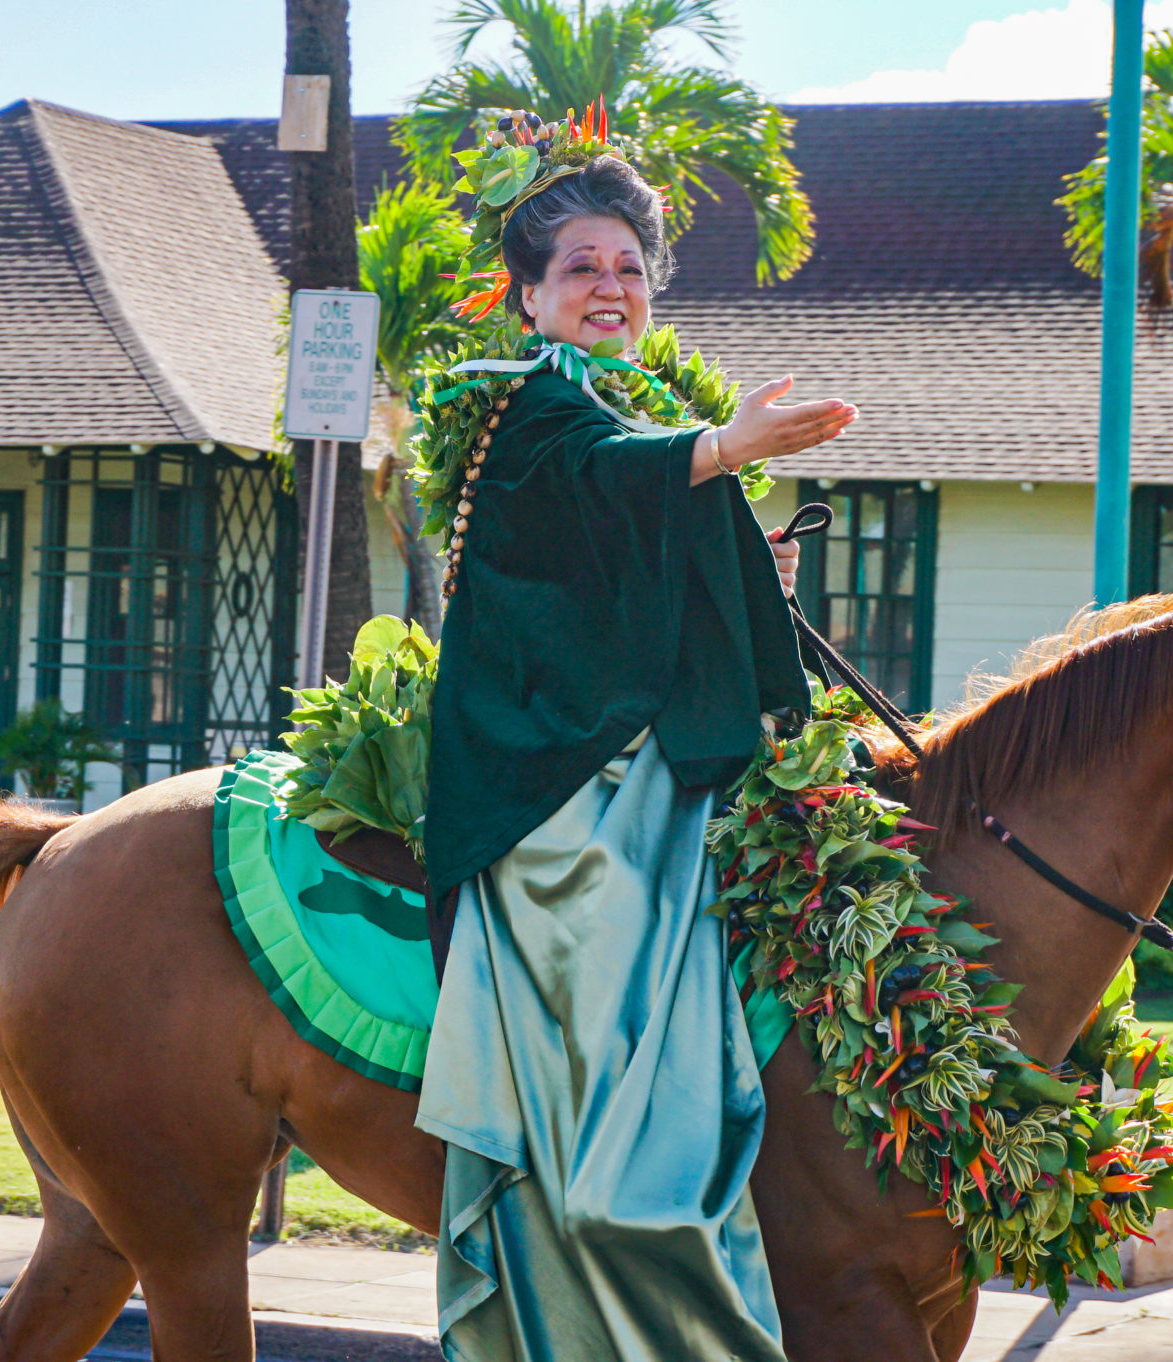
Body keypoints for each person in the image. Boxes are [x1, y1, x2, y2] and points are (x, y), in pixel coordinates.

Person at [416, 124, 857, 1361]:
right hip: (561, 787)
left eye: (627, 267)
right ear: (529, 294)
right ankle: (617, 1231)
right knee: (609, 1014)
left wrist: (736, 552)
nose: (608, 288)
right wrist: (725, 454)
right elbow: (606, 483)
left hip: (646, 758)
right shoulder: (526, 408)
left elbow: (622, 560)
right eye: (578, 269)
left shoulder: (632, 406)